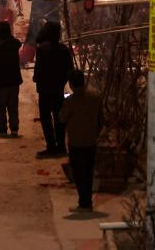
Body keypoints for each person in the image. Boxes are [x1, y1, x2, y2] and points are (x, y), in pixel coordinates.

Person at [59, 70, 103, 212]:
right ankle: (86, 201)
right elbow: (101, 120)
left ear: (71, 84)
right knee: (88, 173)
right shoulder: (95, 98)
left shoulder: (70, 101)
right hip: (91, 141)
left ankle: (84, 202)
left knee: (79, 174)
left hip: (76, 142)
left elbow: (61, 118)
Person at [34, 21, 74, 158]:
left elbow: (38, 70)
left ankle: (51, 146)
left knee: (45, 117)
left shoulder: (42, 49)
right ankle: (61, 146)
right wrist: (61, 81)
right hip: (58, 88)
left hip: (44, 89)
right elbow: (69, 69)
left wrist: (37, 79)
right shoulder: (64, 50)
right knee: (59, 117)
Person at [0, 21, 22, 137]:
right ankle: (14, 129)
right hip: (14, 81)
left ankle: (2, 130)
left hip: (1, 82)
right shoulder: (15, 44)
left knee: (1, 107)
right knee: (13, 106)